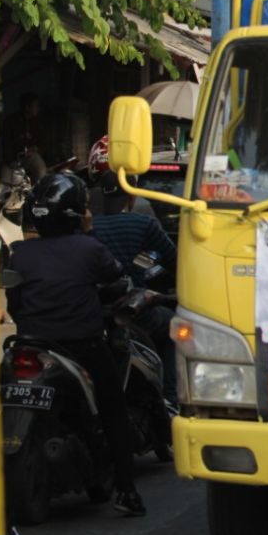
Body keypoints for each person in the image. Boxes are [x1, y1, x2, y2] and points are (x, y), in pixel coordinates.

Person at [4, 172, 146, 517]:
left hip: (28, 344)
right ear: (77, 213)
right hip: (81, 346)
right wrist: (88, 231)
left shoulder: (20, 253)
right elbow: (116, 277)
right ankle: (127, 490)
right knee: (113, 408)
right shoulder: (89, 248)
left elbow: (15, 303)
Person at [90, 169, 178, 402]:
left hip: (96, 312)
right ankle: (169, 399)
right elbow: (174, 261)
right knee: (174, 327)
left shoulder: (89, 228)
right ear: (132, 196)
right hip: (135, 312)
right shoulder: (144, 223)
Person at [0, 92, 48, 183]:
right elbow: (6, 145)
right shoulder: (10, 122)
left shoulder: (37, 122)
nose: (38, 109)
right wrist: (12, 161)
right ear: (27, 107)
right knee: (5, 183)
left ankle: (38, 193)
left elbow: (44, 142)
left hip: (31, 157)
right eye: (35, 106)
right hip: (12, 159)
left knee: (41, 171)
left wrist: (35, 149)